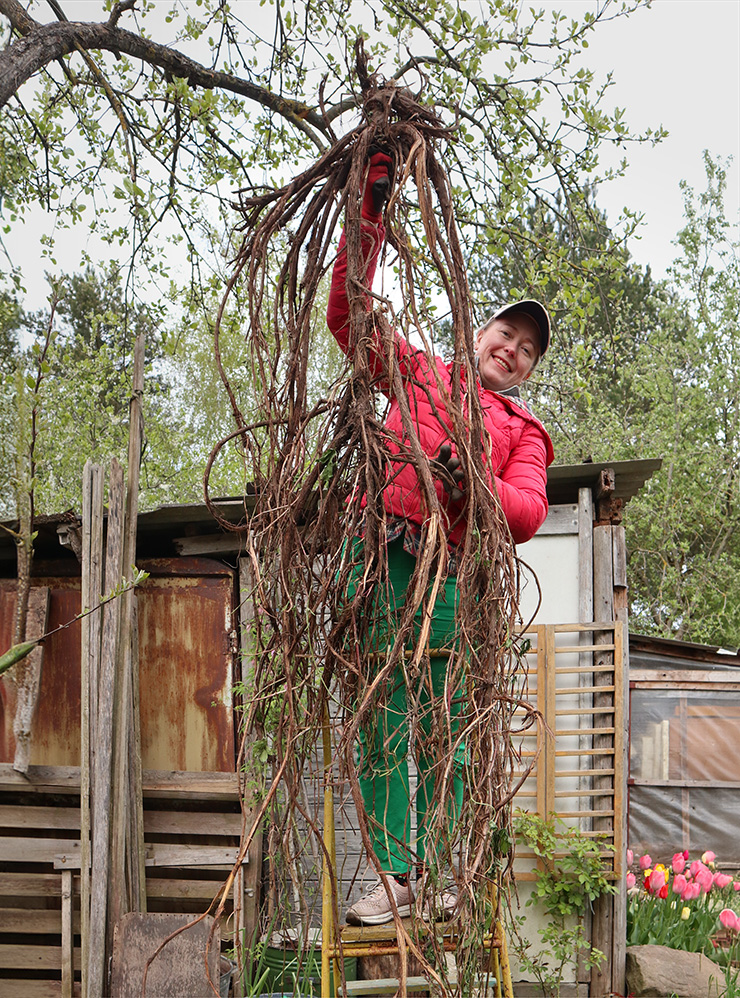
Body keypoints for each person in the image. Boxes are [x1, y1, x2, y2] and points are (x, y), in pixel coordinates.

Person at [326, 151, 554, 926]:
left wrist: (472, 485)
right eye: (505, 332)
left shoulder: (525, 432)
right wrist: (373, 206)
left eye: (527, 348)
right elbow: (349, 317)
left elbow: (524, 511)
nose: (511, 349)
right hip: (383, 557)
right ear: (480, 329)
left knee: (447, 728)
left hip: (450, 577)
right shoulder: (423, 372)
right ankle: (394, 876)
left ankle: (451, 874)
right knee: (383, 717)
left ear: (527, 371)